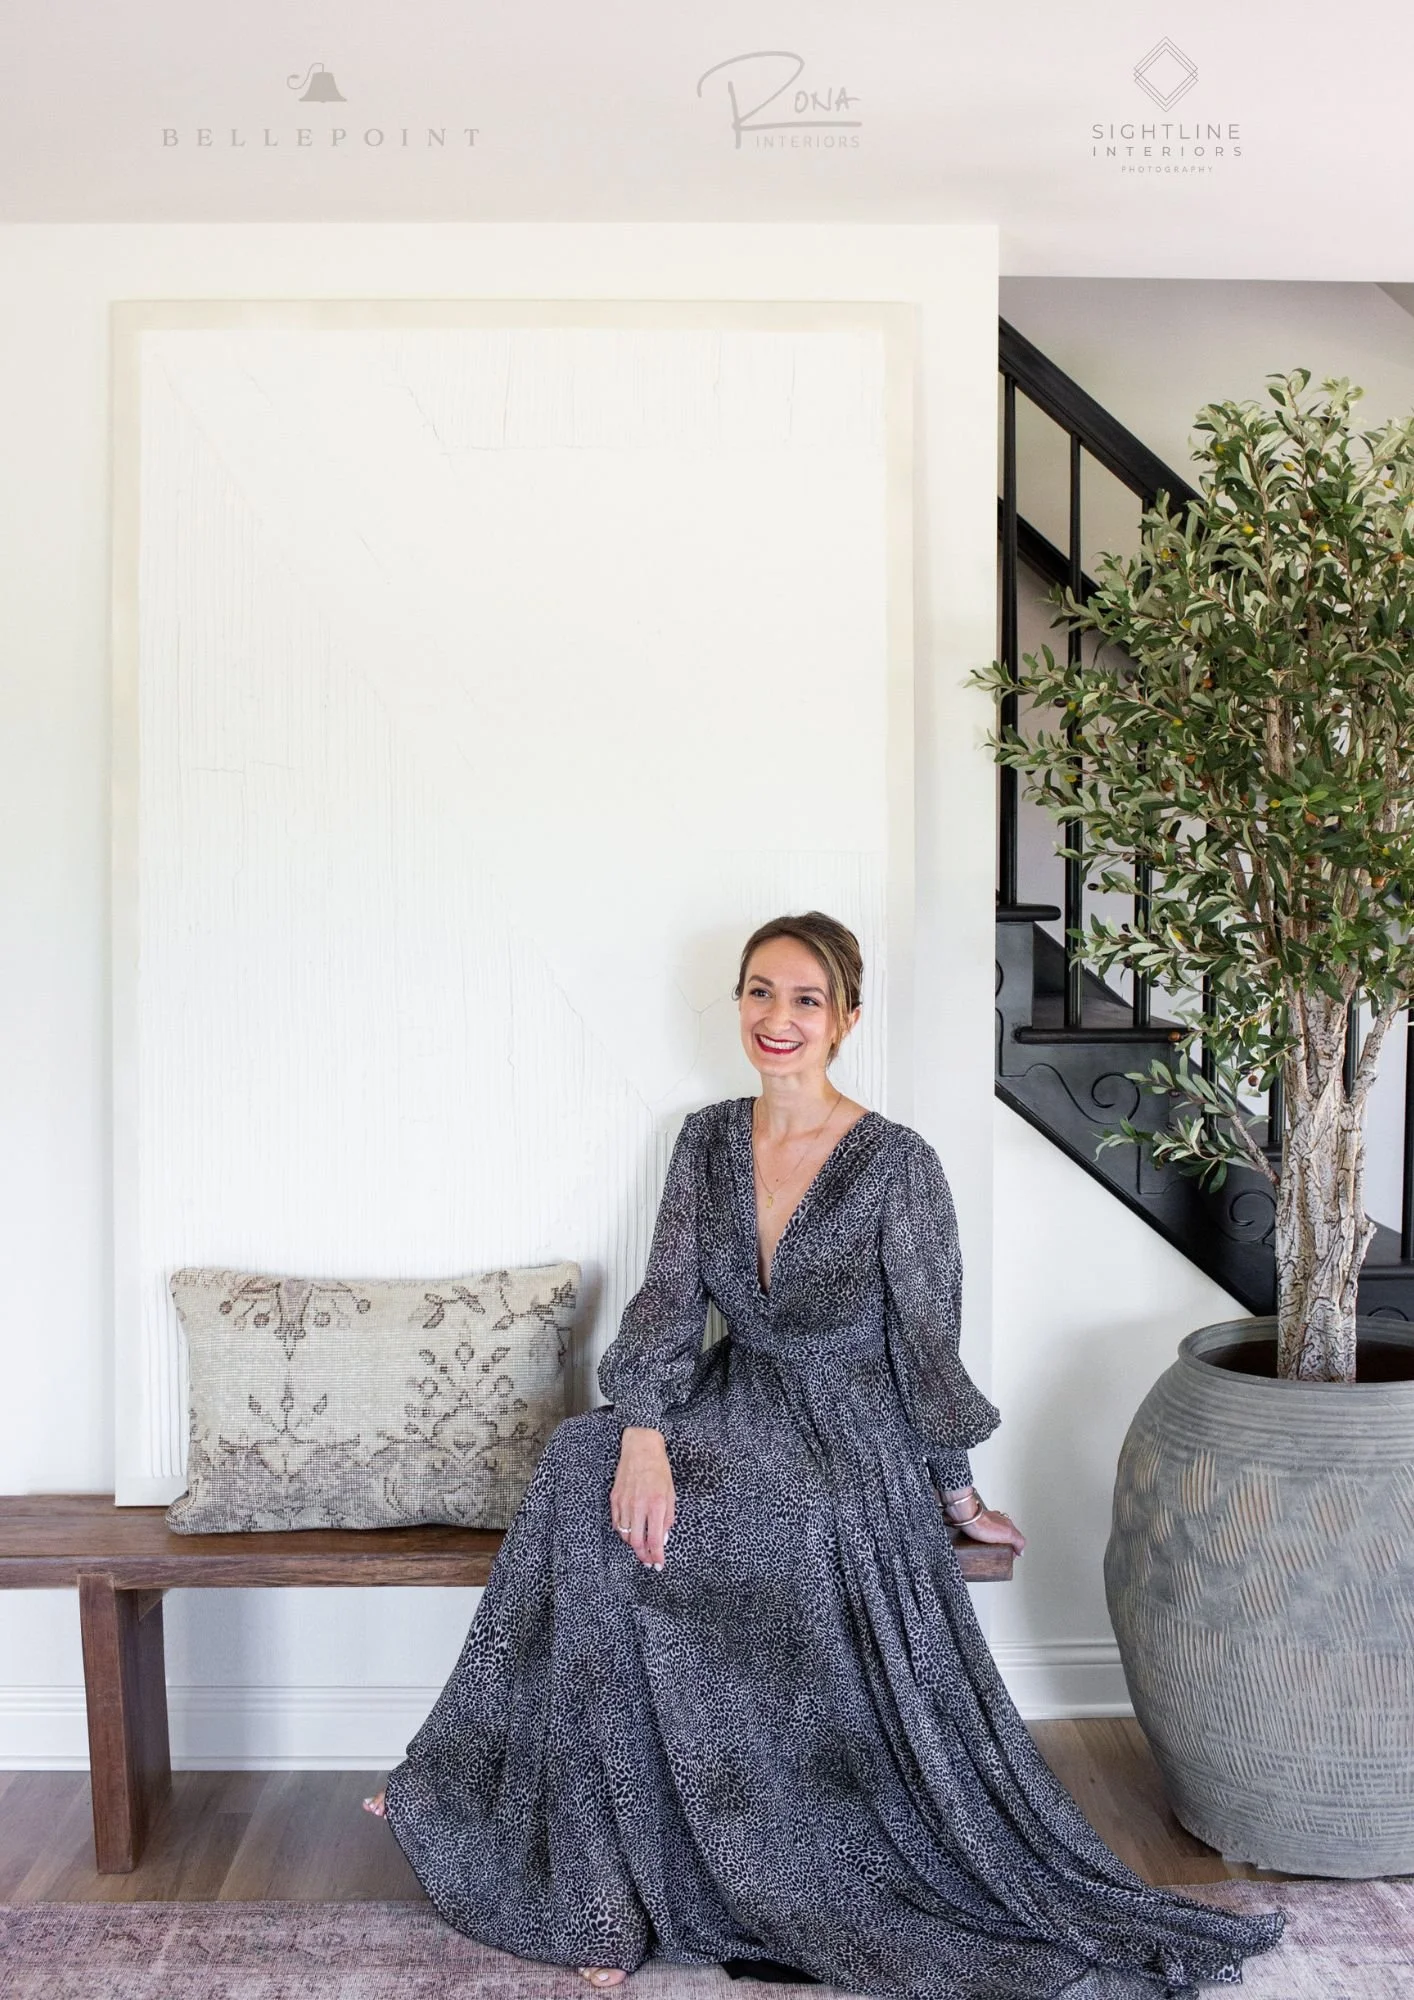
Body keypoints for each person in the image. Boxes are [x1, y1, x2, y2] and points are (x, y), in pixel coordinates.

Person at [363, 912, 1287, 1999]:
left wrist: (958, 1489)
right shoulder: (704, 1140)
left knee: (767, 1519)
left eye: (805, 998)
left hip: (848, 1430)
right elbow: (667, 1303)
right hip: (728, 1396)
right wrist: (646, 1433)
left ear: (847, 1017)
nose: (778, 1017)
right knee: (583, 1463)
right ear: (739, 1004)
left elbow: (925, 1345)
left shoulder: (898, 1164)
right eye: (760, 992)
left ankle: (740, 1848)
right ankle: (534, 1838)